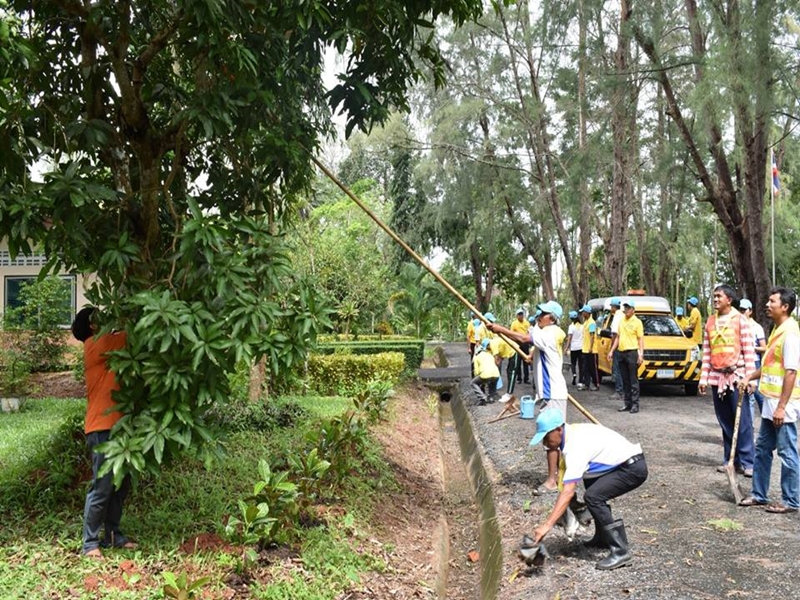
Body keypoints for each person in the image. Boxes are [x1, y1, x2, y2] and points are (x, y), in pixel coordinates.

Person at [529, 410, 648, 570]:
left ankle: (620, 551)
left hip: (632, 468)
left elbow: (568, 491)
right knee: (591, 484)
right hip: (621, 464)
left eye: (546, 437)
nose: (545, 442)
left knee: (593, 497)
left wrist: (547, 525)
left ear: (558, 430)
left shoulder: (575, 446)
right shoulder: (571, 435)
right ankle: (602, 538)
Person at [71, 306, 136, 558]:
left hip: (118, 426)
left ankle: (112, 536)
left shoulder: (103, 344)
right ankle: (90, 543)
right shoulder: (96, 344)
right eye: (99, 316)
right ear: (93, 326)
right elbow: (133, 335)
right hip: (102, 428)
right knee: (103, 485)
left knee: (121, 484)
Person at [489, 301, 567, 493]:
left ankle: (553, 481)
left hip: (552, 393)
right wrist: (532, 356)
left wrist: (500, 329)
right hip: (549, 394)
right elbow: (537, 348)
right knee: (553, 437)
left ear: (552, 318)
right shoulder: (549, 332)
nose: (538, 316)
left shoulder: (551, 332)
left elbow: (524, 338)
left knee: (553, 439)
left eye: (542, 314)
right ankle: (559, 478)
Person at [739, 287, 800, 513]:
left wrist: (782, 407)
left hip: (784, 405)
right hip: (771, 403)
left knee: (787, 452)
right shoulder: (777, 330)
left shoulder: (790, 334)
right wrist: (749, 377)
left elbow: (791, 372)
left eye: (772, 301)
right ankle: (759, 494)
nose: (767, 304)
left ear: (785, 307)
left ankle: (791, 500)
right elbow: (768, 365)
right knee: (763, 449)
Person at [699, 284, 756, 477]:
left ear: (729, 300)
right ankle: (731, 461)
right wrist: (703, 378)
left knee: (744, 421)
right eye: (714, 296)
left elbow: (749, 351)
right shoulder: (710, 321)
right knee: (725, 421)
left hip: (737, 377)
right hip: (717, 378)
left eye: (719, 296)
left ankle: (748, 462)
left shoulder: (740, 320)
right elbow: (707, 352)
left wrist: (750, 379)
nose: (715, 300)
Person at [608, 300, 644, 413]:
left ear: (633, 310)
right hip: (621, 352)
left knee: (633, 380)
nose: (626, 310)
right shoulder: (621, 321)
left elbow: (640, 339)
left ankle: (635, 405)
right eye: (625, 308)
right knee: (625, 380)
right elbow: (618, 338)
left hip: (632, 352)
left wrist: (641, 354)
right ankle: (627, 403)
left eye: (628, 308)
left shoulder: (637, 322)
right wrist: (611, 351)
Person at [739, 298, 766, 421]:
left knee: (757, 394)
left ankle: (767, 420)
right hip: (742, 363)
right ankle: (749, 426)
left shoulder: (757, 327)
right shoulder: (737, 325)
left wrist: (751, 348)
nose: (741, 312)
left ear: (750, 311)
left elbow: (764, 348)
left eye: (743, 310)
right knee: (747, 395)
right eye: (740, 310)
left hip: (754, 362)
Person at [471, 338, 500, 405]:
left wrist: (478, 377)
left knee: (473, 383)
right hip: (496, 374)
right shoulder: (490, 355)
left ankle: (482, 397)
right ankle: (491, 398)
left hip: (485, 374)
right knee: (492, 382)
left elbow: (476, 371)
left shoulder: (476, 357)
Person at [607, 298, 625, 402]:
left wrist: (612, 348)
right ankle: (624, 390)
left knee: (617, 369)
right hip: (624, 346)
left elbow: (614, 334)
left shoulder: (617, 317)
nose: (611, 308)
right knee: (623, 370)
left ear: (614, 307)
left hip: (618, 346)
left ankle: (619, 391)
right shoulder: (623, 315)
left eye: (611, 307)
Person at [578, 305, 599, 391]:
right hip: (585, 349)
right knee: (585, 368)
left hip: (591, 350)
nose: (582, 314)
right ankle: (586, 384)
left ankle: (596, 384)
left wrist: (590, 347)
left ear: (587, 313)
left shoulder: (592, 323)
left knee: (593, 368)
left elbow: (592, 336)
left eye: (583, 312)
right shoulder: (586, 322)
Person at [510, 308, 531, 384]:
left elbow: (529, 332)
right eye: (519, 314)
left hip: (525, 344)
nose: (521, 316)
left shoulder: (527, 323)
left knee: (526, 361)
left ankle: (526, 378)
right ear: (517, 316)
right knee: (518, 362)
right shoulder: (514, 323)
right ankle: (519, 378)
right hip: (517, 343)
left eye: (521, 314)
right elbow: (511, 333)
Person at [565, 311, 584, 387]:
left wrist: (566, 348)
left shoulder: (571, 327)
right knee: (581, 364)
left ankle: (574, 374)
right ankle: (580, 381)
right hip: (581, 347)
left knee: (573, 363)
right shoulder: (582, 326)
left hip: (574, 348)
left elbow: (569, 338)